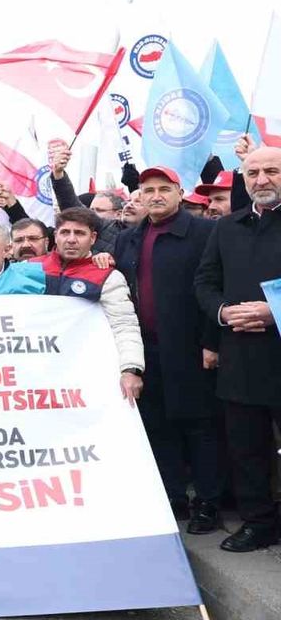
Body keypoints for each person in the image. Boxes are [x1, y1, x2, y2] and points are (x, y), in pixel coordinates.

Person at [114, 166, 222, 534]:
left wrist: (211, 341)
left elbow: (216, 286)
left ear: (180, 193)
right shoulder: (127, 239)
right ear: (139, 196)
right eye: (148, 190)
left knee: (199, 426)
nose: (156, 196)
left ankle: (208, 502)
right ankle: (173, 497)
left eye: (164, 189)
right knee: (158, 426)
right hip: (146, 350)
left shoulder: (205, 232)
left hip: (191, 347)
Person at [195, 146, 281, 552]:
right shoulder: (227, 227)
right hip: (241, 355)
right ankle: (258, 522)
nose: (261, 180)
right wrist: (224, 313)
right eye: (253, 173)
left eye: (272, 171)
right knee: (246, 447)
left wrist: (274, 311)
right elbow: (205, 282)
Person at [29, 208, 144, 405]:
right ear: (55, 235)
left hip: (85, 372)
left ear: (93, 238)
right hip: (35, 370)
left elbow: (124, 325)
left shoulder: (108, 276)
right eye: (65, 232)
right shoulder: (29, 268)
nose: (71, 239)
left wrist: (131, 369)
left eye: (80, 233)